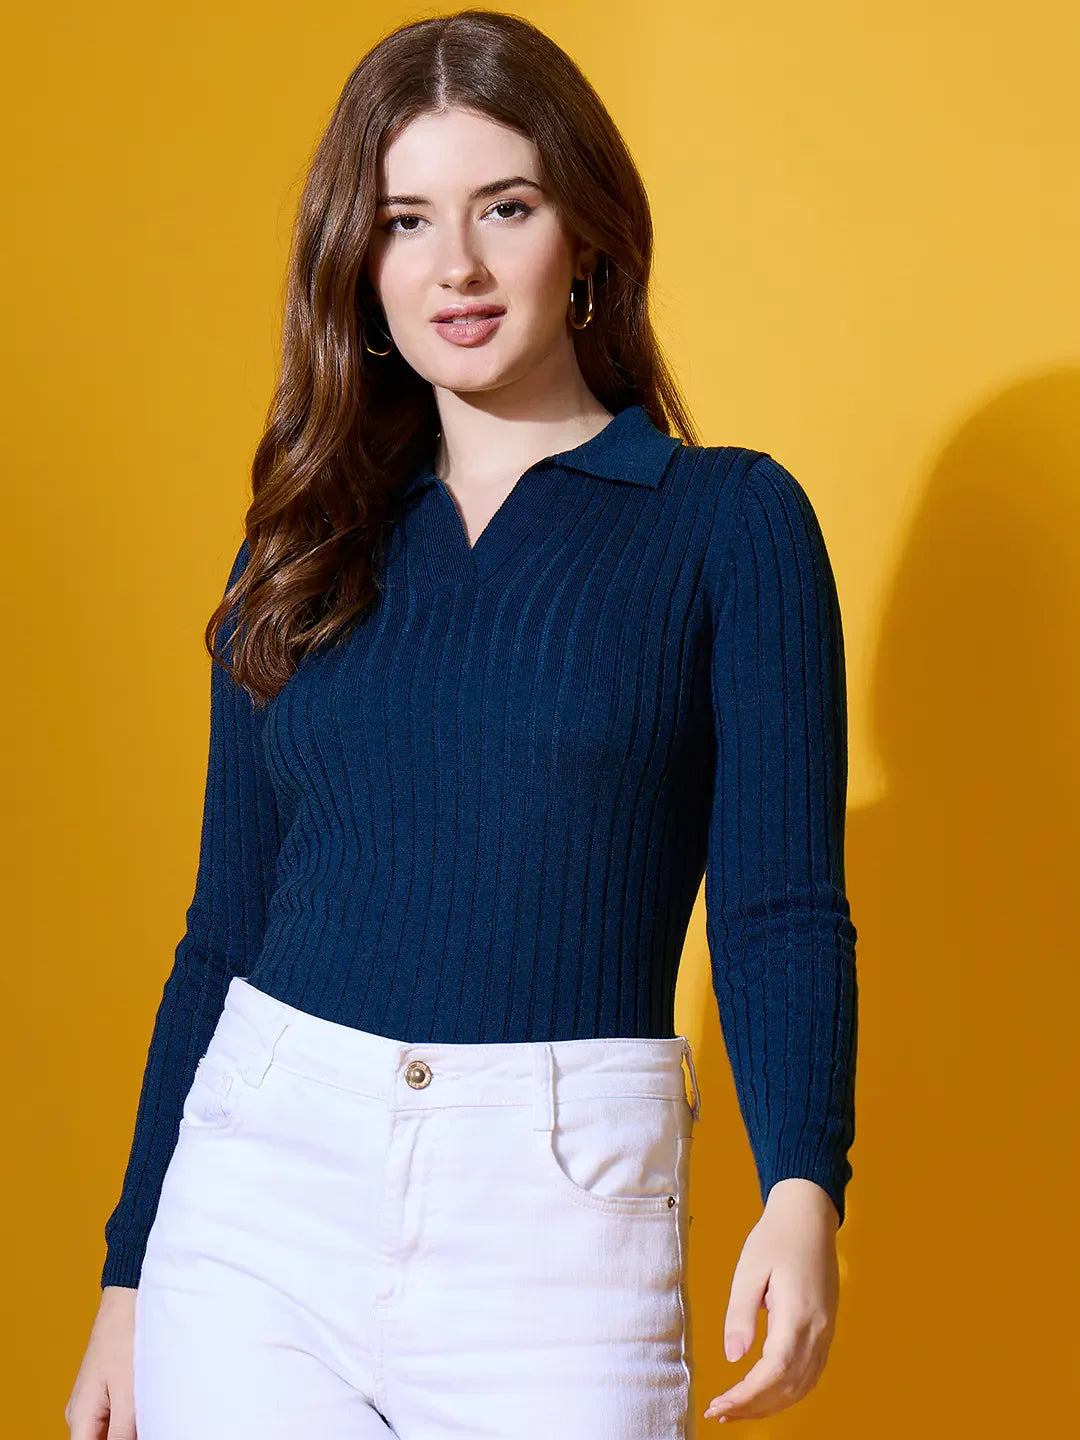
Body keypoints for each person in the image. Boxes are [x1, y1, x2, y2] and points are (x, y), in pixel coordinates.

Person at [65, 9, 858, 1438]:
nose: (460, 267)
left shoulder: (728, 528)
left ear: (589, 233)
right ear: (359, 271)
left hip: (553, 1223)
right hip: (259, 1196)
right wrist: (128, 1274)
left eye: (507, 206)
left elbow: (780, 904)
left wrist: (802, 1183)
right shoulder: (296, 549)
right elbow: (223, 930)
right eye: (407, 220)